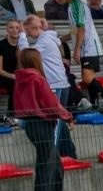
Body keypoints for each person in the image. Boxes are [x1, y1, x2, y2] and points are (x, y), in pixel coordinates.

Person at [10, 47, 72, 191]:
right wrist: (67, 116)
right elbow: (51, 102)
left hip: (30, 123)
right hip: (42, 123)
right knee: (46, 164)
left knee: (54, 162)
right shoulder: (37, 79)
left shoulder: (21, 80)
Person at [18, 13, 77, 159]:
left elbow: (27, 54)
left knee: (56, 123)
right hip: (62, 83)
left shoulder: (44, 42)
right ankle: (69, 153)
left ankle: (53, 157)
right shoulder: (49, 38)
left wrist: (22, 36)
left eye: (28, 31)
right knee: (61, 123)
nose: (29, 35)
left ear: (32, 28)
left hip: (56, 84)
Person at [49, 0, 103, 107]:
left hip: (89, 47)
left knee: (87, 78)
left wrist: (77, 50)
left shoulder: (76, 4)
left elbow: (81, 28)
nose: (57, 0)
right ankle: (93, 104)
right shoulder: (71, 6)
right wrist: (60, 39)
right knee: (88, 78)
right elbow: (75, 31)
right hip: (85, 47)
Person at [0, 17, 21, 119]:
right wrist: (13, 76)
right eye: (11, 28)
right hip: (4, 77)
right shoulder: (1, 45)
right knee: (15, 84)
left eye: (17, 28)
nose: (14, 30)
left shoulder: (22, 44)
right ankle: (11, 116)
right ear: (7, 30)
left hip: (17, 76)